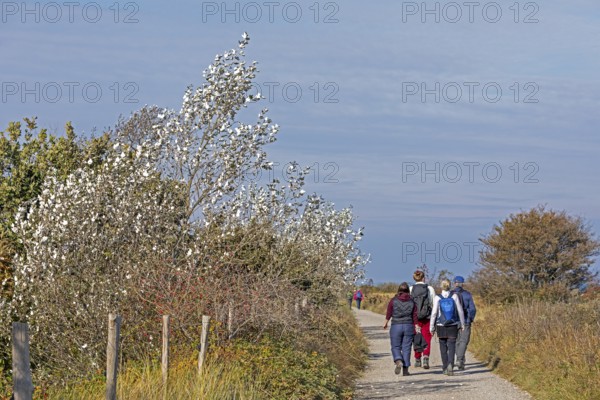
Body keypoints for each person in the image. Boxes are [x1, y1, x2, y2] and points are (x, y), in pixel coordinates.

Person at [429, 278, 465, 376]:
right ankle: (451, 365)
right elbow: (460, 311)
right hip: (453, 324)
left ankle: (445, 366)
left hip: (441, 325)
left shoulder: (438, 297)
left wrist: (431, 327)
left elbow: (434, 313)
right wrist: (462, 324)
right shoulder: (454, 296)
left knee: (443, 346)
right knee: (452, 346)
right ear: (450, 286)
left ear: (441, 286)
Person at [383, 282, 418, 376]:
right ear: (408, 291)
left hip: (396, 326)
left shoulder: (393, 300)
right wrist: (416, 325)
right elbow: (415, 315)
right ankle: (405, 370)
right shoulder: (412, 301)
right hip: (408, 326)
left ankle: (398, 360)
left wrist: (386, 323)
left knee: (395, 346)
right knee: (406, 348)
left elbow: (389, 312)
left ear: (399, 290)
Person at [409, 270, 436, 369]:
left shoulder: (411, 289)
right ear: (423, 278)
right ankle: (425, 357)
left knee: (416, 337)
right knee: (427, 337)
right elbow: (433, 304)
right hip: (427, 317)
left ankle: (417, 359)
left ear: (414, 278)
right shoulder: (429, 289)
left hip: (415, 318)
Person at [452, 276, 477, 370]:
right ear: (462, 284)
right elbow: (473, 309)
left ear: (454, 283)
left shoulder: (450, 294)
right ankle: (459, 359)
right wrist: (470, 318)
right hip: (465, 320)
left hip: (453, 321)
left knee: (456, 341)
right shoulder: (467, 294)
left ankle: (461, 360)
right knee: (464, 341)